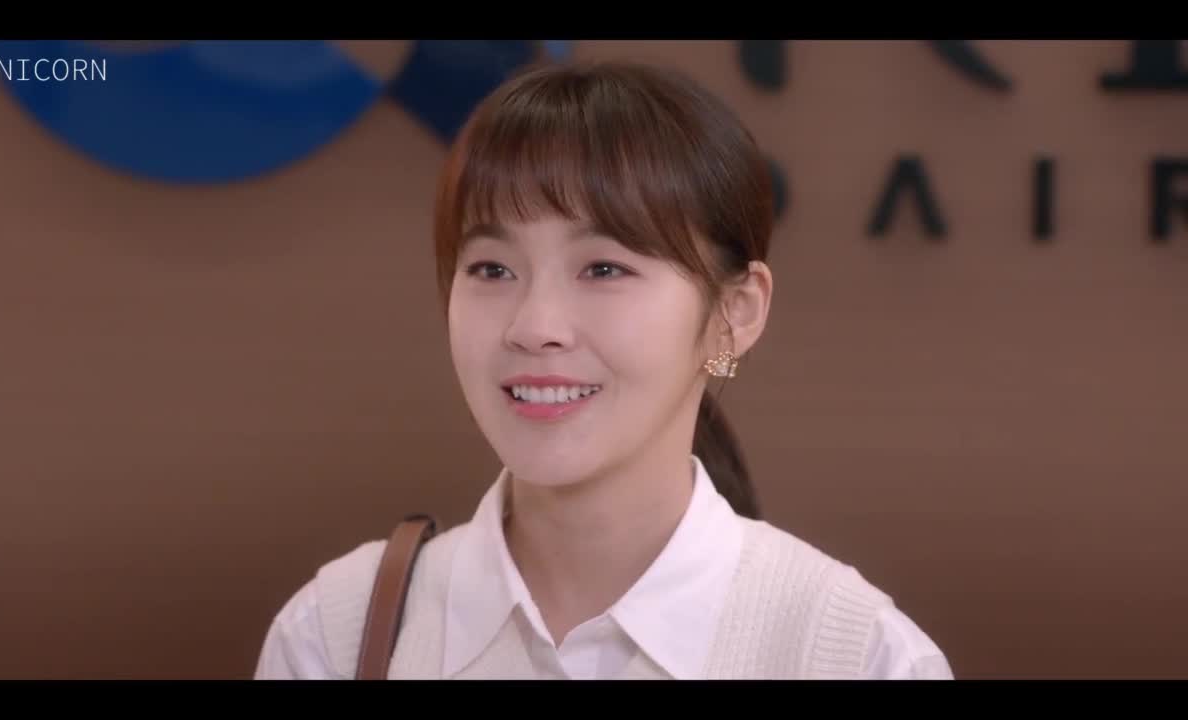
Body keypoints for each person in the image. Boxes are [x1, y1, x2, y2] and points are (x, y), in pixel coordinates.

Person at [253, 59, 954, 680]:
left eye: (604, 269)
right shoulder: (334, 635)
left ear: (734, 313)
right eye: (492, 269)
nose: (535, 327)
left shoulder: (857, 657)